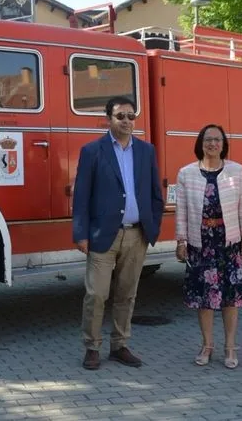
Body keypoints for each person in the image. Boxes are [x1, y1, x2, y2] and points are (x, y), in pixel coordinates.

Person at [72, 95, 164, 370]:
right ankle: (92, 347)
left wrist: (152, 227)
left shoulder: (146, 151)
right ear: (108, 119)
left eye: (130, 116)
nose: (126, 121)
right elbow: (82, 196)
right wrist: (81, 233)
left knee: (127, 294)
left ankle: (120, 345)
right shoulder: (92, 151)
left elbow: (154, 194)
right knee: (96, 294)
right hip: (103, 234)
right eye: (120, 116)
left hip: (136, 235)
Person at [174, 124, 242, 369]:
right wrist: (181, 240)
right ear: (200, 143)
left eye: (217, 140)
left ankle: (230, 347)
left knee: (230, 298)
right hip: (201, 244)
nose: (212, 144)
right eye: (208, 139)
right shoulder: (186, 173)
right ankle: (207, 345)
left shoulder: (236, 171)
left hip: (229, 242)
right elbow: (182, 211)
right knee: (204, 299)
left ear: (223, 143)